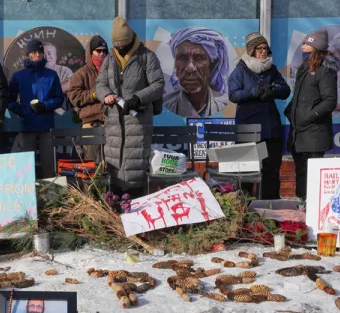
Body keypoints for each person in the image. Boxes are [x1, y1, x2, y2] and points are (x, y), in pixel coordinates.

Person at [95, 17, 164, 195]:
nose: (119, 47)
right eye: (116, 44)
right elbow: (100, 84)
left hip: (138, 120)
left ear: (131, 39)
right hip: (114, 122)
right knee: (114, 161)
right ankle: (115, 204)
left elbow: (157, 85)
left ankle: (136, 201)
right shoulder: (109, 59)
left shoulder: (147, 57)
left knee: (136, 163)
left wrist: (137, 98)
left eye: (123, 43)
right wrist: (106, 95)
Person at [228, 32, 291, 199]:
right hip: (248, 129)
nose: (264, 52)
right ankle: (244, 208)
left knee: (271, 170)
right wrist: (254, 91)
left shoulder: (272, 69)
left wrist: (273, 90)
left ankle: (269, 207)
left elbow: (285, 91)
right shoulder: (240, 70)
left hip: (270, 129)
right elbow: (233, 95)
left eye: (266, 48)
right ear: (251, 51)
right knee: (246, 171)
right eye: (259, 48)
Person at [284, 29, 337, 200]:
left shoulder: (326, 70)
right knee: (301, 172)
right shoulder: (304, 68)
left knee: (311, 175)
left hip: (314, 134)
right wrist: (290, 112)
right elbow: (298, 96)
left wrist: (309, 116)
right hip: (298, 132)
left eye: (307, 43)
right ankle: (301, 207)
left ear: (315, 47)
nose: (303, 45)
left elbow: (330, 101)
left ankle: (312, 208)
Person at [7, 39, 63, 178]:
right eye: (34, 52)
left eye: (40, 52)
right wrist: (23, 111)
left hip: (46, 126)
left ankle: (51, 196)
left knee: (49, 165)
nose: (38, 54)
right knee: (26, 166)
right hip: (27, 127)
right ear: (28, 55)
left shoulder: (51, 75)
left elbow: (59, 99)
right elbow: (8, 100)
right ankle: (27, 197)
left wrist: (45, 105)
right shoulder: (18, 76)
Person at [164, 27, 229, 117]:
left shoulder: (226, 105)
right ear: (175, 65)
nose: (190, 68)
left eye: (199, 58)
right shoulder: (165, 105)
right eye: (182, 58)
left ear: (212, 66)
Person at [68, 35, 108, 161]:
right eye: (98, 51)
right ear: (91, 52)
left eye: (104, 51)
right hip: (90, 123)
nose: (102, 54)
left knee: (109, 161)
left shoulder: (112, 72)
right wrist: (94, 94)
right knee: (91, 162)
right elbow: (74, 96)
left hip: (111, 122)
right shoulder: (81, 73)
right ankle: (90, 182)